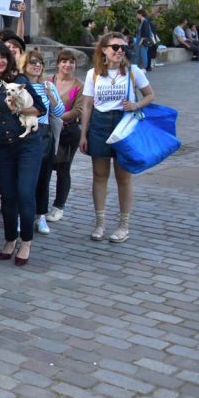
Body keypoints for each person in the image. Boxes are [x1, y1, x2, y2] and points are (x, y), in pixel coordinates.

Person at [80, 33, 155, 243]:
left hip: (124, 124)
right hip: (100, 124)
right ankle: (100, 223)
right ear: (104, 49)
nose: (120, 50)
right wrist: (83, 134)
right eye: (115, 47)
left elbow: (150, 94)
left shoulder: (133, 71)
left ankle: (123, 225)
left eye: (123, 47)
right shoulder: (93, 74)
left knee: (124, 177)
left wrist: (136, 105)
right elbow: (87, 105)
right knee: (99, 175)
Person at [0, 41, 46, 266]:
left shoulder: (19, 81)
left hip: (27, 143)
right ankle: (10, 238)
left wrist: (18, 108)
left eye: (3, 57)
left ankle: (26, 241)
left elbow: (40, 108)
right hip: (0, 146)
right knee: (7, 195)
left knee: (25, 193)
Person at [19, 50, 65, 235]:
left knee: (44, 178)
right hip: (25, 132)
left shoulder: (48, 85)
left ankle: (41, 216)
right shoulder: (20, 85)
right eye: (33, 62)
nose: (37, 65)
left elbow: (60, 112)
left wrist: (51, 95)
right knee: (25, 180)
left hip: (44, 133)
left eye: (40, 63)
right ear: (24, 64)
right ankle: (22, 216)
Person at [48, 49, 86, 223]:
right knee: (44, 168)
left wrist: (57, 116)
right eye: (64, 61)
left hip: (67, 132)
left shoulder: (79, 85)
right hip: (48, 131)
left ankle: (58, 206)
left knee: (63, 169)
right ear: (58, 63)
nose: (67, 65)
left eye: (71, 62)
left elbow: (78, 110)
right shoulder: (48, 81)